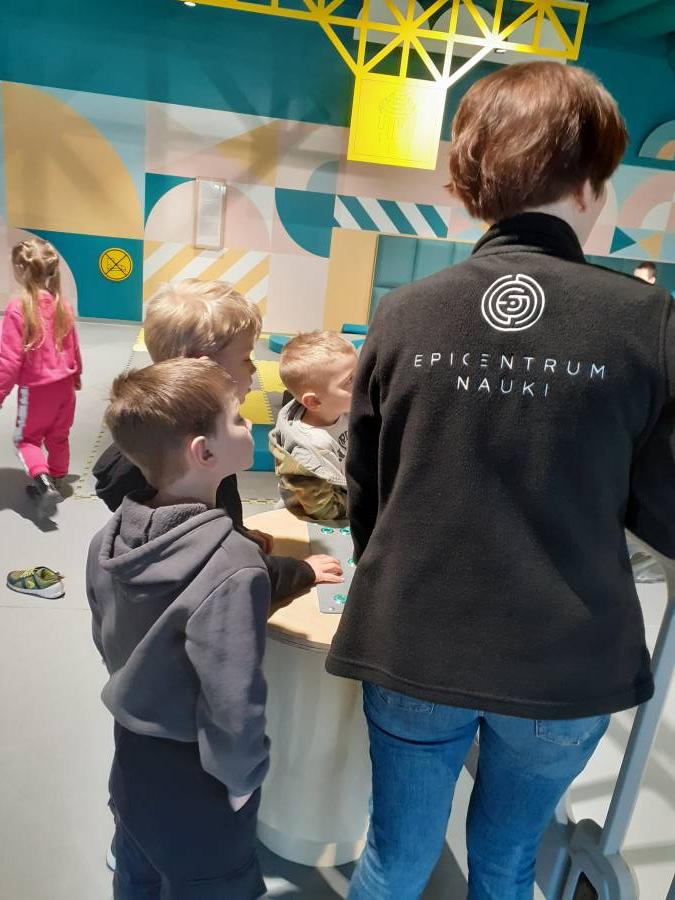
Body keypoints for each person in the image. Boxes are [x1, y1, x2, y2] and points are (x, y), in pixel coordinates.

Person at [326, 61, 675, 900]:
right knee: (509, 865)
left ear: (473, 182)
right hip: (564, 661)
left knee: (393, 861)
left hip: (413, 637)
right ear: (591, 184)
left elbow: (367, 494)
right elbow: (664, 513)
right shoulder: (648, 323)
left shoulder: (403, 312)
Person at [87, 358, 276, 898]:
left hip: (131, 757)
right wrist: (242, 781)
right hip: (198, 777)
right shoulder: (233, 564)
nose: (249, 425)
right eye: (237, 418)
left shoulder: (107, 538)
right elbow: (232, 701)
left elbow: (105, 636)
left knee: (137, 873)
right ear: (204, 452)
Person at [93, 280, 342, 604]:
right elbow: (224, 567)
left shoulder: (173, 442)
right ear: (205, 368)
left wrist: (237, 531)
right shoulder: (190, 461)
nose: (254, 368)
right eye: (246, 358)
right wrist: (302, 571)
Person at [0, 238, 82, 518]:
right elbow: (74, 346)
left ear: (20, 270)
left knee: (26, 439)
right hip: (65, 388)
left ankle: (44, 484)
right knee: (59, 436)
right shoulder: (62, 305)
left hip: (36, 391)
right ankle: (57, 477)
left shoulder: (18, 309)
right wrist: (76, 376)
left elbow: (9, 360)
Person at [269, 331, 357, 520]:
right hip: (313, 520)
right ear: (314, 401)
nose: (361, 382)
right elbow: (323, 510)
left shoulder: (339, 408)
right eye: (349, 380)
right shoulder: (308, 454)